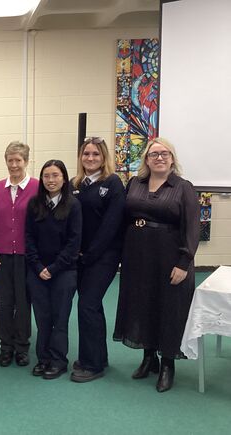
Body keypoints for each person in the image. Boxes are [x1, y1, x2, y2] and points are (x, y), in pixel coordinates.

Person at [113, 137, 200, 393]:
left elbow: (192, 228)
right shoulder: (135, 183)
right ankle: (148, 357)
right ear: (146, 159)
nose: (159, 158)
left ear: (172, 159)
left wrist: (184, 263)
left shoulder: (183, 187)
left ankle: (167, 364)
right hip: (137, 256)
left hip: (169, 257)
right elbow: (124, 218)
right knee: (142, 303)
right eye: (154, 154)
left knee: (168, 307)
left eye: (164, 154)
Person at [70, 137, 125, 382]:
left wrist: (90, 254)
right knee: (92, 306)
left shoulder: (112, 183)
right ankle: (97, 356)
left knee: (87, 305)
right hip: (80, 257)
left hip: (103, 257)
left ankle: (92, 365)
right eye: (86, 154)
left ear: (104, 158)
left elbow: (111, 225)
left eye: (95, 154)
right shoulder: (76, 184)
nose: (90, 158)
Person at [25, 160, 81, 380]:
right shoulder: (34, 204)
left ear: (64, 178)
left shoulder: (73, 205)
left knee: (60, 317)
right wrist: (39, 267)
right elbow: (28, 238)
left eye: (55, 175)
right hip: (37, 271)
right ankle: (43, 358)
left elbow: (74, 242)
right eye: (46, 176)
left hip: (64, 271)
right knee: (42, 317)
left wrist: (54, 268)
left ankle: (58, 360)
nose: (51, 180)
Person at [0, 141, 39, 367]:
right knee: (5, 302)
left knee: (24, 302)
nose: (14, 165)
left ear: (26, 161)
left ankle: (22, 347)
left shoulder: (37, 187)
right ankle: (6, 346)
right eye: (10, 160)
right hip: (1, 255)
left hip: (27, 256)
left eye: (18, 160)